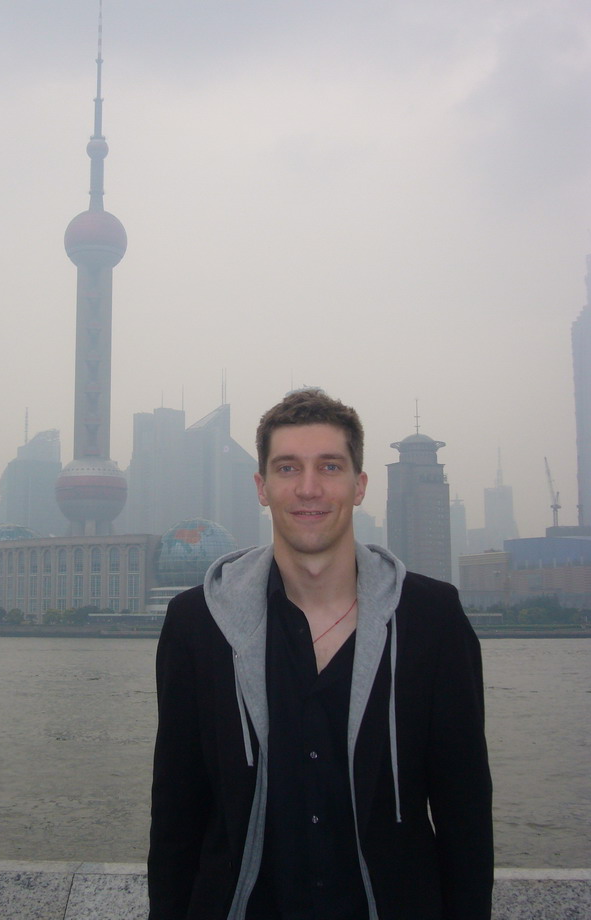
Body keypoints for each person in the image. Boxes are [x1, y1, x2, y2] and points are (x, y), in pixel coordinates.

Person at [148, 388, 493, 920]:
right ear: (262, 488)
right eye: (288, 468)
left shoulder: (432, 620)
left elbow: (465, 815)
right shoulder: (198, 625)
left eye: (329, 467)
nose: (309, 488)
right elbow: (176, 815)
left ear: (359, 486)